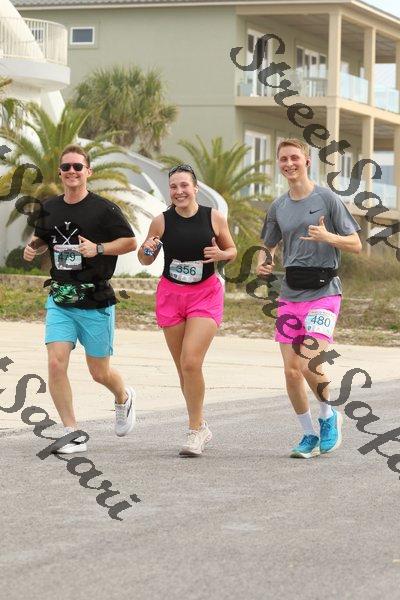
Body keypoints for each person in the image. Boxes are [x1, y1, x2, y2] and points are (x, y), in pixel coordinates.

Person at [23, 144, 137, 453]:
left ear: (88, 171)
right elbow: (43, 239)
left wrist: (98, 248)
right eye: (66, 167)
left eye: (77, 166)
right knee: (55, 362)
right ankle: (71, 431)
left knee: (99, 372)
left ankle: (123, 396)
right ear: (60, 173)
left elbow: (130, 242)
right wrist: (33, 248)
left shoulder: (104, 209)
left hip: (95, 299)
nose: (71, 171)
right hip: (60, 298)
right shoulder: (49, 207)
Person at [257, 138, 362, 459]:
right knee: (291, 371)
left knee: (307, 363)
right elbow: (268, 244)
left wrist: (328, 237)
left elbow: (356, 243)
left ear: (307, 162)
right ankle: (307, 434)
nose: (289, 163)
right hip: (290, 293)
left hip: (324, 292)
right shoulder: (278, 206)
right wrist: (264, 261)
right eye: (283, 159)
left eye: (294, 158)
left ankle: (328, 417)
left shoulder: (326, 198)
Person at [138, 164, 237, 457]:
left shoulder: (213, 217)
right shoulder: (161, 221)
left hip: (205, 294)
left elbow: (231, 250)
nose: (179, 191)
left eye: (184, 186)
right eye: (174, 187)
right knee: (183, 367)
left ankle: (194, 431)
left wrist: (221, 254)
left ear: (195, 188)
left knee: (191, 361)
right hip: (171, 295)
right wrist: (148, 249)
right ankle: (200, 425)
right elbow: (145, 259)